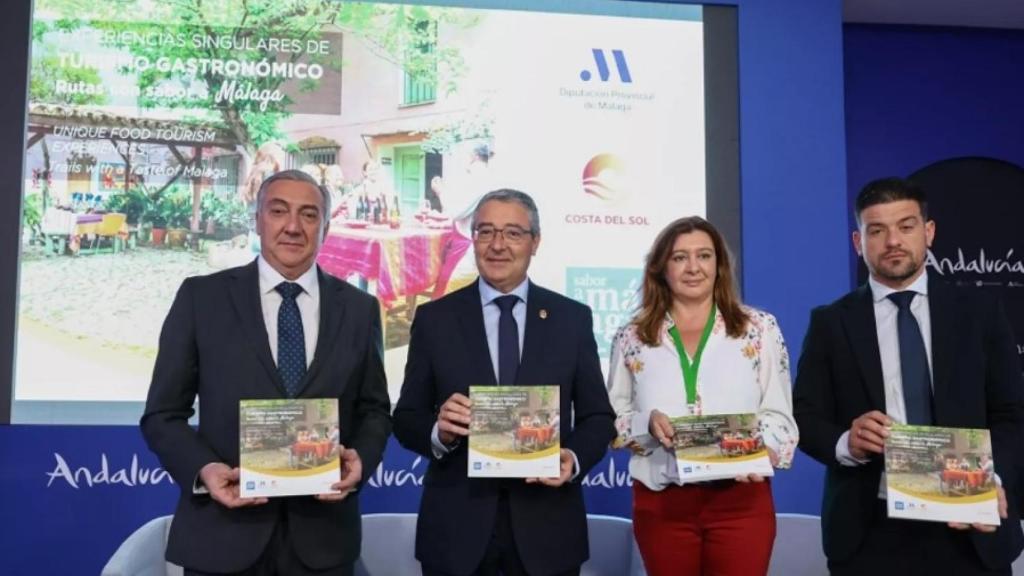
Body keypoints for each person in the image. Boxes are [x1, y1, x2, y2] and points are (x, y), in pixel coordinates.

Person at [140, 169, 392, 576]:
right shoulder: (201, 298)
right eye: (279, 211)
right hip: (221, 537)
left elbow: (375, 410)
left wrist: (361, 459)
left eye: (309, 215)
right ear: (257, 219)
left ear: (325, 227)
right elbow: (162, 415)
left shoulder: (360, 310)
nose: (293, 226)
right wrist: (205, 471)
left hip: (324, 542)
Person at [793, 177, 1023, 575]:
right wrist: (847, 441)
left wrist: (988, 478)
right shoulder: (830, 322)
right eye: (876, 230)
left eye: (906, 226)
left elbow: (1012, 413)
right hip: (870, 530)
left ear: (928, 232)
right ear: (857, 241)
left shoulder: (980, 312)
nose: (892, 241)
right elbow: (805, 416)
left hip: (968, 521)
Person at [392, 189, 616, 576]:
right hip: (456, 530)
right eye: (485, 232)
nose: (497, 245)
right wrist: (437, 432)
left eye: (513, 233)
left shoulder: (571, 319)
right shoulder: (435, 319)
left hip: (548, 527)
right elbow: (407, 416)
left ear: (535, 242)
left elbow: (598, 416)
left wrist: (572, 458)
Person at [606, 216, 798, 576]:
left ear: (719, 265)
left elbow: (778, 411)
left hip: (740, 502)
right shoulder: (631, 335)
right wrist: (644, 422)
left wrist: (765, 450)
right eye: (679, 257)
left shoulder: (758, 328)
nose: (693, 267)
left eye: (704, 256)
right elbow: (612, 418)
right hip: (662, 502)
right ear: (661, 267)